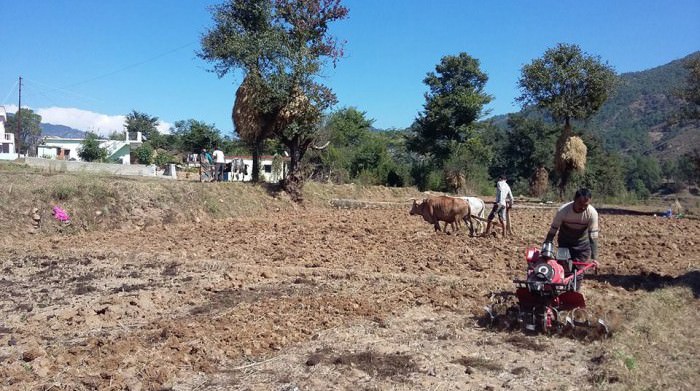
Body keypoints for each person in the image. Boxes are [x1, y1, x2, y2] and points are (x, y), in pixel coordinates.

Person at [543, 188, 599, 264]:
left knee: (579, 271)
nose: (582, 207)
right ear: (574, 200)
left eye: (585, 205)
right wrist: (546, 247)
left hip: (582, 245)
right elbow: (553, 230)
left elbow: (593, 236)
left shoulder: (592, 213)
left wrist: (594, 258)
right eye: (580, 203)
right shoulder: (563, 211)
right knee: (563, 268)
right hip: (564, 243)